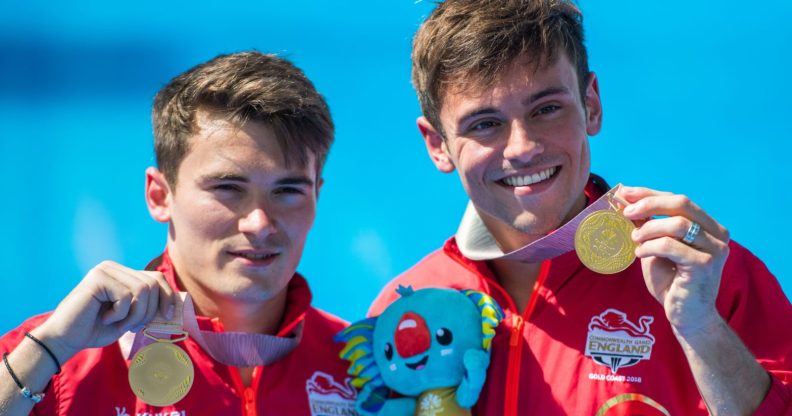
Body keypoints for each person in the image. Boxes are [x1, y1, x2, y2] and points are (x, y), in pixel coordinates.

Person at [369, 1, 792, 415]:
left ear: (591, 104)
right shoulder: (400, 310)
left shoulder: (706, 277)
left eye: (547, 109)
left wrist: (702, 330)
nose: (523, 148)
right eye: (485, 123)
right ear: (437, 145)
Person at [0, 51, 356, 416]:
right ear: (159, 195)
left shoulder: (363, 369)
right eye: (228, 188)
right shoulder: (57, 357)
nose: (259, 223)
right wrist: (50, 349)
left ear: (316, 196)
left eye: (288, 191)